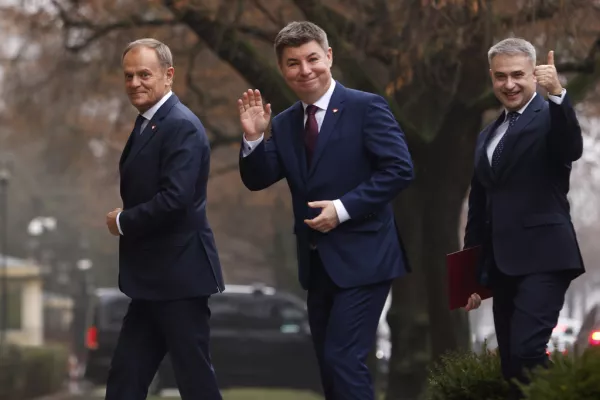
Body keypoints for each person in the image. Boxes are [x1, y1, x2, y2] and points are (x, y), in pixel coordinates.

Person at [237, 21, 414, 400]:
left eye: (312, 59)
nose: (305, 70)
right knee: (329, 366)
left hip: (366, 257)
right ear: (283, 69)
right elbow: (259, 178)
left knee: (343, 358)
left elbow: (400, 169)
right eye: (293, 63)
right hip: (317, 265)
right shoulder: (284, 124)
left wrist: (343, 208)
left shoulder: (366, 107)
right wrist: (253, 139)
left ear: (329, 57)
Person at [464, 38, 585, 398]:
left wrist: (559, 94)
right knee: (512, 366)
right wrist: (470, 272)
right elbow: (479, 205)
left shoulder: (550, 117)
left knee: (529, 353)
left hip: (546, 257)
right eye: (500, 76)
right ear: (491, 77)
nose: (509, 84)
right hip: (502, 265)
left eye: (518, 75)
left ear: (535, 74)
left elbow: (571, 148)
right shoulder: (488, 135)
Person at [104, 38, 224, 400]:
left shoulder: (180, 125)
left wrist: (123, 221)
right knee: (125, 379)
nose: (135, 83)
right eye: (128, 76)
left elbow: (176, 200)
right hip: (151, 282)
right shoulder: (150, 123)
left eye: (145, 74)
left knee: (195, 381)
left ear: (168, 76)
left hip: (180, 280)